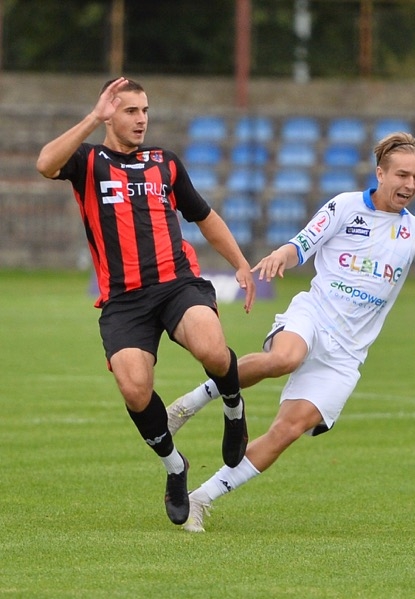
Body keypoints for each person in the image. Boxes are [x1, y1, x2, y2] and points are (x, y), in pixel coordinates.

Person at [164, 132, 415, 532]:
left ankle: (201, 498)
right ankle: (189, 404)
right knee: (284, 358)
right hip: (314, 315)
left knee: (287, 430)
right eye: (402, 175)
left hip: (347, 354)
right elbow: (300, 244)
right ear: (380, 173)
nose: (410, 185)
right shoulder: (345, 206)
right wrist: (280, 256)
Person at [35, 77, 256, 525]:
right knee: (135, 389)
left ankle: (234, 410)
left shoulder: (165, 164)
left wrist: (240, 263)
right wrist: (90, 120)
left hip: (177, 283)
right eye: (131, 111)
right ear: (109, 114)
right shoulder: (88, 161)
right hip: (123, 298)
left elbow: (204, 216)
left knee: (213, 349)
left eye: (145, 110)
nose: (141, 119)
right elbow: (44, 164)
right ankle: (176, 467)